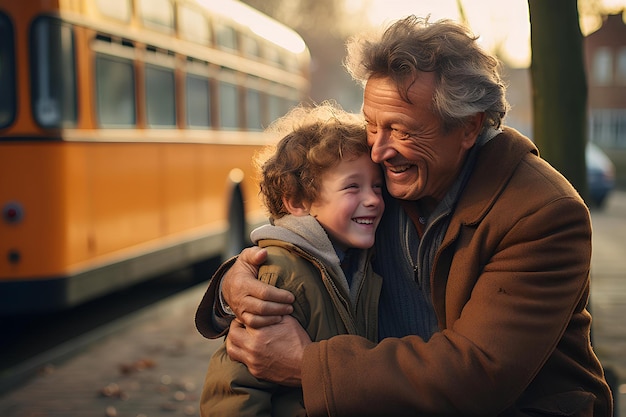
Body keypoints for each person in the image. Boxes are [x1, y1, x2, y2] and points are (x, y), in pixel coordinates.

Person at [195, 16, 614, 417]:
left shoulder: (544, 214)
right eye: (372, 125)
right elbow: (310, 236)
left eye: (402, 130)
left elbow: (478, 375)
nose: (378, 150)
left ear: (469, 127)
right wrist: (241, 279)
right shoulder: (384, 177)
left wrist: (307, 363)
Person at [197, 103, 385, 416]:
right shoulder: (278, 277)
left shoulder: (358, 261)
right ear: (297, 201)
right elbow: (232, 391)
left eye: (377, 186)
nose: (373, 199)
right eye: (353, 186)